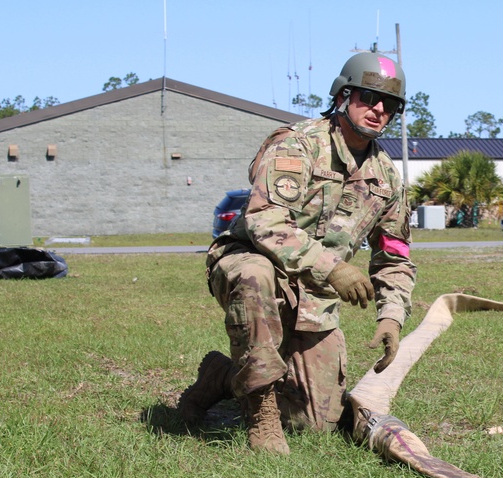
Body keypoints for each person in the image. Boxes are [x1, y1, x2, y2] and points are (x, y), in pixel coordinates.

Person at [178, 51, 417, 454]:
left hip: (312, 300)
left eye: (389, 104)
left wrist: (391, 317)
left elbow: (394, 254)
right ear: (343, 95)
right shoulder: (299, 145)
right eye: (367, 97)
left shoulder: (387, 177)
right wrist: (332, 269)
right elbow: (264, 222)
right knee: (256, 275)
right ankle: (261, 415)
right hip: (250, 264)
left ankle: (220, 376)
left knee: (314, 422)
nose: (378, 109)